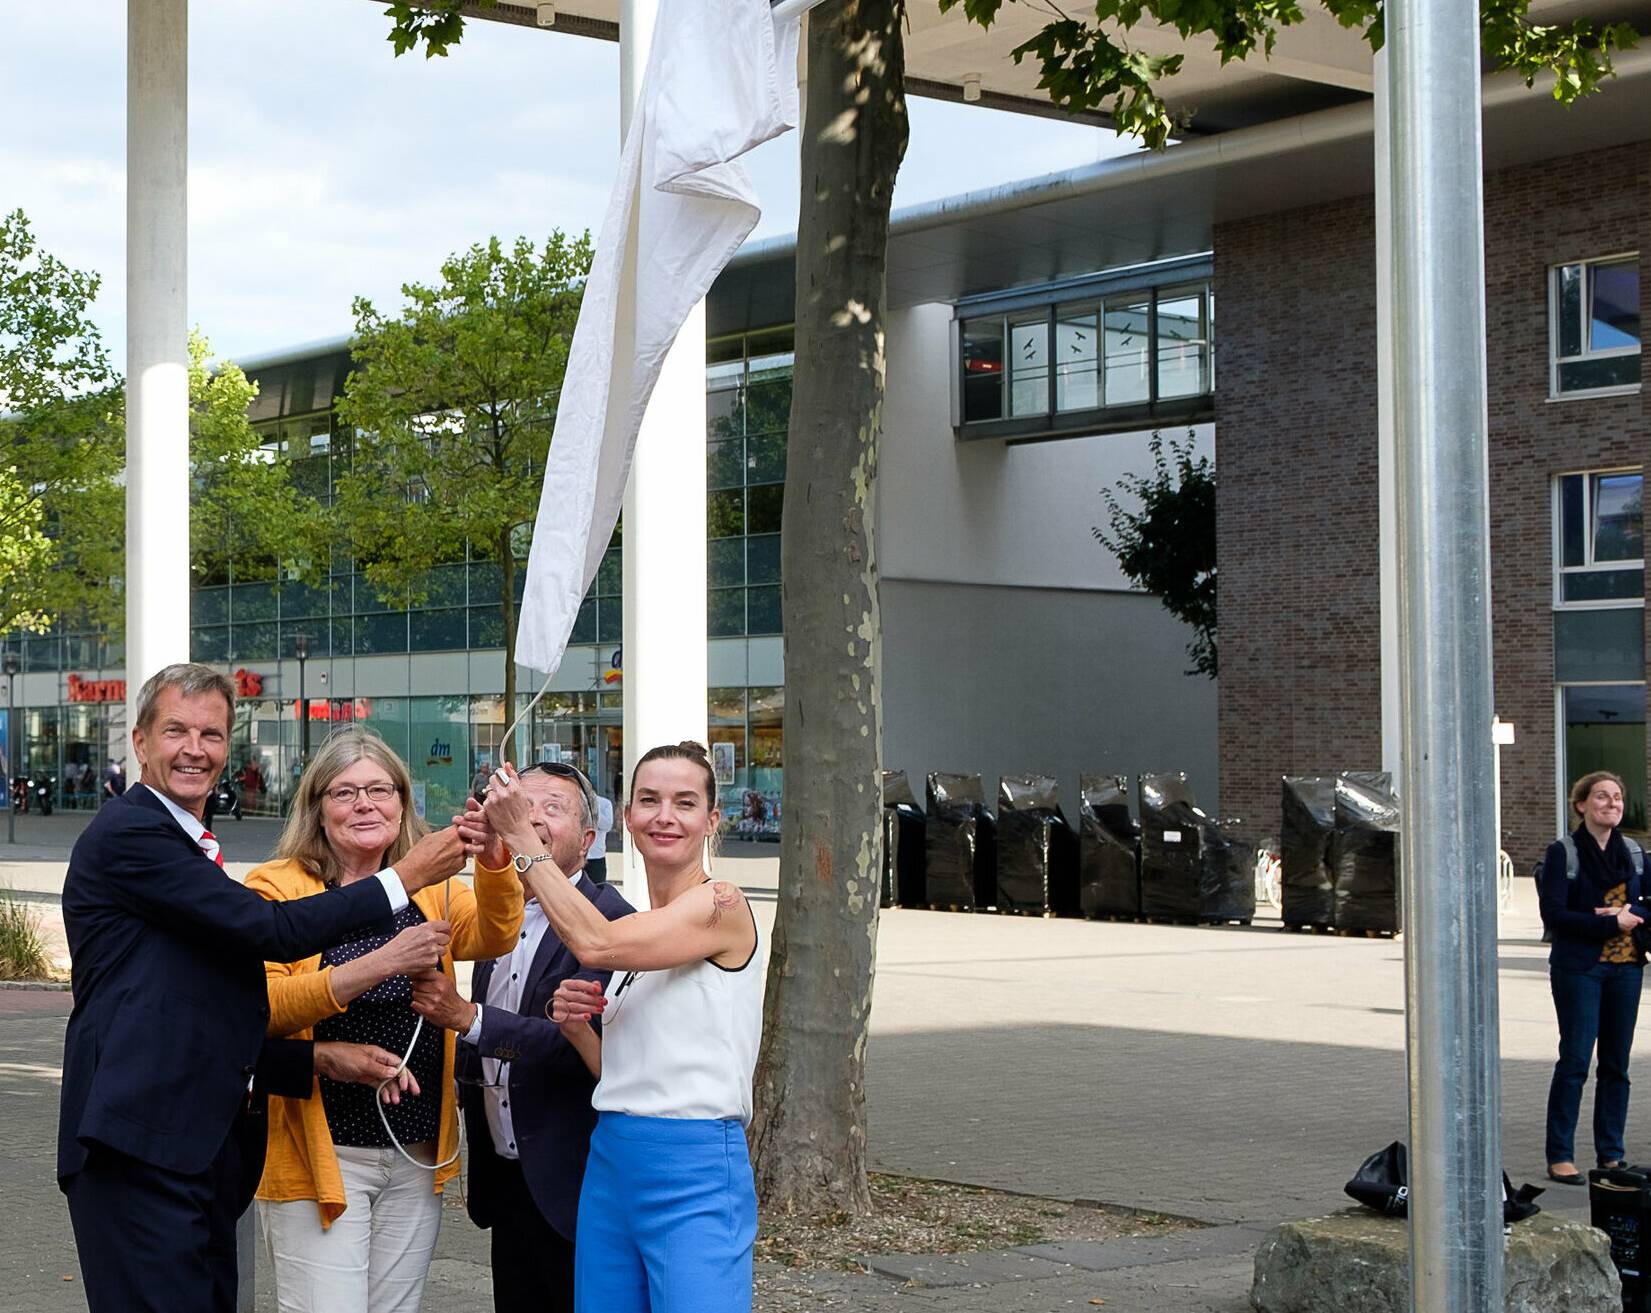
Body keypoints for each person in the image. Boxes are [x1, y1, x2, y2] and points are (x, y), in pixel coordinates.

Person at [57, 663, 468, 1313]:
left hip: (195, 1154)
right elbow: (270, 930)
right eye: (176, 730)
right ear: (138, 742)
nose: (196, 748)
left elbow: (201, 1012)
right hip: (139, 1149)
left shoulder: (190, 846)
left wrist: (318, 1058)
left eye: (212, 734)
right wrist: (406, 875)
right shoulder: (133, 832)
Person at [464, 740, 763, 1313]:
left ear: (712, 820)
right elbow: (618, 1073)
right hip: (610, 1160)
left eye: (685, 802)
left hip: (692, 1166)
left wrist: (523, 839)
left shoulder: (721, 904)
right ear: (627, 819)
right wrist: (576, 1027)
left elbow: (593, 941)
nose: (665, 816)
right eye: (648, 800)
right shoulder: (643, 930)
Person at [245, 727, 523, 1313]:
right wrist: (383, 963)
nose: (365, 804)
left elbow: (496, 933)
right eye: (345, 793)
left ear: (403, 803)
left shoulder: (436, 888)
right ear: (317, 808)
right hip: (320, 1152)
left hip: (414, 1153)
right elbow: (265, 1008)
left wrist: (496, 863)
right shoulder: (277, 886)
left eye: (380, 789)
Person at [409, 761, 632, 1313]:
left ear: (587, 839)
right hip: (505, 1179)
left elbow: (575, 1045)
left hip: (570, 1182)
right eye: (520, 805)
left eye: (551, 808)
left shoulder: (611, 923)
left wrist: (468, 1018)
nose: (529, 818)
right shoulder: (491, 913)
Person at [1538, 769, 1649, 1186]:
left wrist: (1632, 916)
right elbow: (1553, 915)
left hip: (1626, 970)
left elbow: (1649, 904)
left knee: (1617, 1065)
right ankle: (1561, 1154)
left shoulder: (1635, 854)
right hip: (1580, 970)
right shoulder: (1563, 853)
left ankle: (1611, 1153)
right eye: (1602, 797)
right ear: (1581, 805)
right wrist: (1606, 922)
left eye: (1618, 797)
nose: (1612, 804)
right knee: (1576, 1061)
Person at [585, 789, 614, 883]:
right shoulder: (575, 803)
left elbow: (607, 826)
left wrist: (594, 810)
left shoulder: (604, 803)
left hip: (597, 857)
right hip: (577, 857)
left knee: (598, 890)